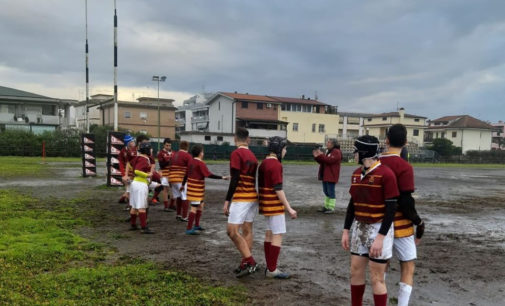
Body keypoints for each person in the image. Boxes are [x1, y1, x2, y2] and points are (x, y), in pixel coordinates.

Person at [341, 135, 399, 306]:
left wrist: (380, 238)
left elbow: (391, 210)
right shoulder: (356, 174)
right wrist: (346, 230)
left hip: (379, 229)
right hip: (360, 227)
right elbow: (352, 205)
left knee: (376, 278)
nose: (354, 154)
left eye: (356, 151)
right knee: (355, 271)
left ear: (364, 153)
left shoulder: (386, 174)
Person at [380, 124, 425, 306]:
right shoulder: (405, 167)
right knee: (407, 265)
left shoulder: (376, 162)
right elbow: (406, 201)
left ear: (387, 140)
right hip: (401, 225)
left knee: (382, 264)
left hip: (379, 223)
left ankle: (379, 300)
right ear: (405, 142)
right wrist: (418, 221)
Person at [258, 136, 297, 279]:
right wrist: (289, 208)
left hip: (265, 204)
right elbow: (278, 189)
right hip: (274, 205)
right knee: (278, 234)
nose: (285, 151)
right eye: (285, 148)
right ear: (279, 149)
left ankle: (270, 267)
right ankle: (272, 270)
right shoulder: (276, 165)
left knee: (269, 234)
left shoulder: (263, 163)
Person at [223, 127, 259, 278]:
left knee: (231, 231)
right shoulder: (252, 155)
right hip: (252, 197)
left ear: (235, 138)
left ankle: (251, 261)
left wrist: (227, 200)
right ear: (248, 139)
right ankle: (245, 262)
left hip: (242, 197)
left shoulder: (236, 153)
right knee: (247, 230)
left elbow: (236, 178)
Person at [184, 144, 229, 235]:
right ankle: (189, 229)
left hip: (193, 188)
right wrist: (222, 177)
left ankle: (196, 225)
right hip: (196, 189)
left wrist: (182, 184)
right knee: (194, 208)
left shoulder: (191, 161)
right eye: (203, 152)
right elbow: (208, 174)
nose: (203, 153)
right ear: (200, 153)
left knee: (201, 205)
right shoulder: (200, 163)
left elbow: (186, 174)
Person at [127, 142, 155, 234]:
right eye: (150, 149)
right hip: (140, 184)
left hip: (135, 183)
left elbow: (130, 164)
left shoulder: (138, 157)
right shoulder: (144, 159)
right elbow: (137, 170)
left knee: (134, 206)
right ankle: (144, 227)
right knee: (141, 207)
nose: (151, 150)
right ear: (147, 150)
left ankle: (133, 225)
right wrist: (148, 174)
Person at [313, 138, 342, 213]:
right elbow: (323, 161)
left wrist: (321, 155)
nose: (327, 143)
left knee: (330, 191)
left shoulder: (336, 152)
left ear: (333, 144)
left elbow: (329, 160)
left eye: (328, 142)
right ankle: (326, 207)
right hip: (326, 175)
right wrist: (317, 157)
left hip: (331, 175)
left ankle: (331, 208)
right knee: (326, 191)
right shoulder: (329, 151)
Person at [169, 141, 192, 221]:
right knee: (185, 197)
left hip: (172, 179)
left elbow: (170, 167)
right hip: (181, 179)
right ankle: (185, 216)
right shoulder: (188, 156)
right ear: (187, 147)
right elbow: (190, 169)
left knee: (179, 196)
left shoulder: (173, 154)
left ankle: (178, 214)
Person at [157, 138, 174, 211]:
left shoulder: (173, 153)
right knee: (166, 190)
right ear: (164, 145)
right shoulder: (161, 153)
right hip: (165, 174)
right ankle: (166, 206)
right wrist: (169, 161)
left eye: (169, 145)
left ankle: (172, 205)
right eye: (167, 145)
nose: (168, 147)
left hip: (173, 174)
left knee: (174, 190)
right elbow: (161, 165)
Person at [118, 134, 135, 204]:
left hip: (135, 172)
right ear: (128, 143)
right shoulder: (123, 151)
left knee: (130, 189)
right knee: (129, 188)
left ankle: (124, 198)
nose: (133, 142)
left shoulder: (136, 149)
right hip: (127, 172)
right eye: (132, 141)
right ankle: (129, 204)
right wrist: (124, 174)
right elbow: (121, 163)